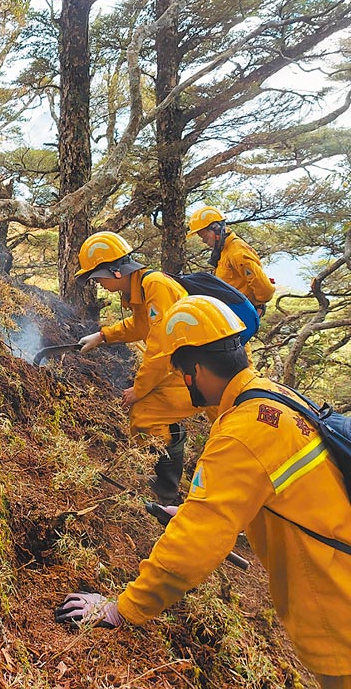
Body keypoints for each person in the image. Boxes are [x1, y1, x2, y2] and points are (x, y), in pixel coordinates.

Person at [56, 295, 351, 689]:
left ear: (194, 369)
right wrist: (211, 514)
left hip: (336, 610)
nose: (182, 382)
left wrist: (122, 610)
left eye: (180, 372)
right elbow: (298, 497)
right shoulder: (277, 397)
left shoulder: (241, 434)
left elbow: (193, 546)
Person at [75, 231, 219, 505]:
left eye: (97, 277)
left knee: (146, 414)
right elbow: (141, 326)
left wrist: (139, 390)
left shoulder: (154, 286)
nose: (98, 284)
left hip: (209, 369)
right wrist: (102, 336)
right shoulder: (140, 288)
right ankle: (169, 487)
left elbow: (160, 348)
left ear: (115, 271)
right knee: (220, 426)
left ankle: (166, 493)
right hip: (195, 365)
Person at [187, 205, 275, 316]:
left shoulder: (237, 252)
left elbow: (265, 291)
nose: (204, 241)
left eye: (204, 236)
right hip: (229, 314)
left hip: (240, 315)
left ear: (216, 228)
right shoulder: (223, 251)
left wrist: (254, 307)